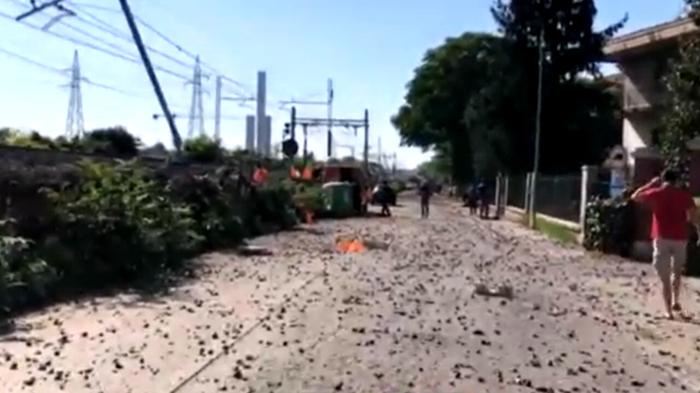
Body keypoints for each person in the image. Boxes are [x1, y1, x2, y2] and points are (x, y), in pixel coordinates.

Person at [632, 169, 699, 320]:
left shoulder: (656, 193)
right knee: (677, 271)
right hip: (680, 238)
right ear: (677, 181)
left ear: (663, 180)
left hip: (661, 238)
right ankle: (676, 300)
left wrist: (649, 184)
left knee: (665, 277)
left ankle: (668, 311)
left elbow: (635, 197)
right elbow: (693, 218)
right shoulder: (684, 196)